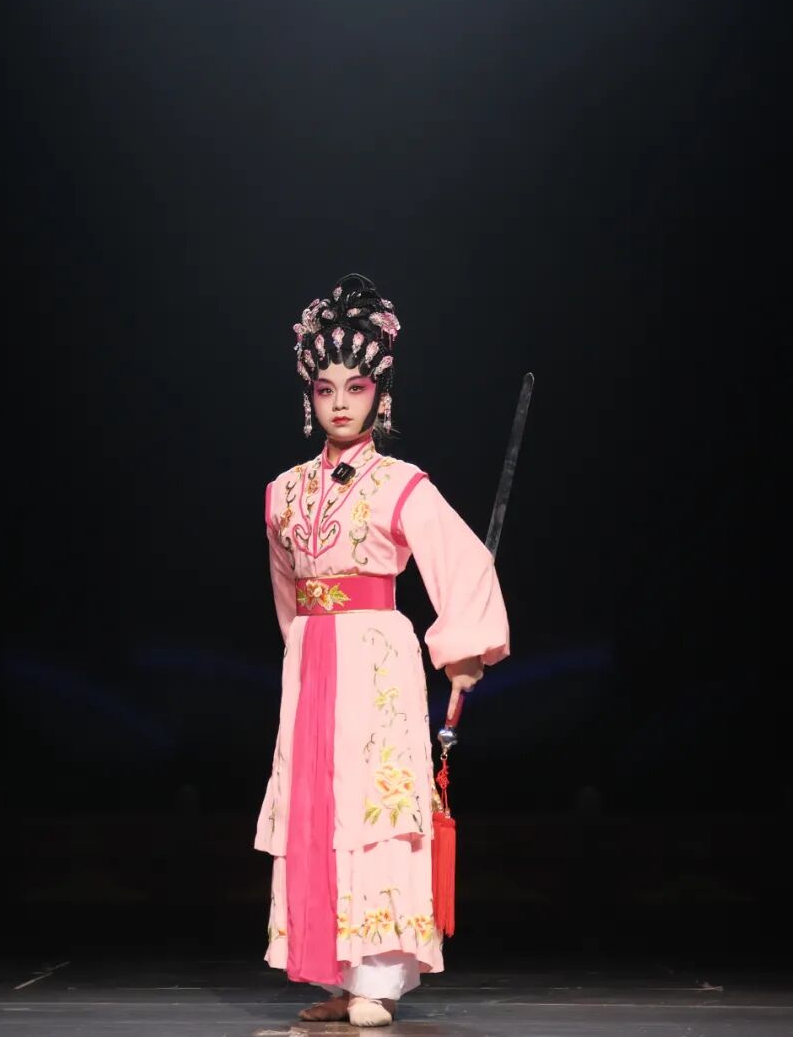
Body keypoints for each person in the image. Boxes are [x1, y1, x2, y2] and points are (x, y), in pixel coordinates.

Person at [255, 274, 510, 1027]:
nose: (340, 402)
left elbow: (462, 561)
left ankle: (376, 978)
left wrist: (461, 647)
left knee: (372, 806)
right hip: (312, 658)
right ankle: (336, 973)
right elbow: (287, 593)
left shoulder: (400, 484)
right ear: (309, 395)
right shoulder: (283, 492)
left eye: (356, 387)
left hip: (373, 658)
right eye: (325, 388)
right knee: (317, 808)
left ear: (379, 396)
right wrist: (302, 654)